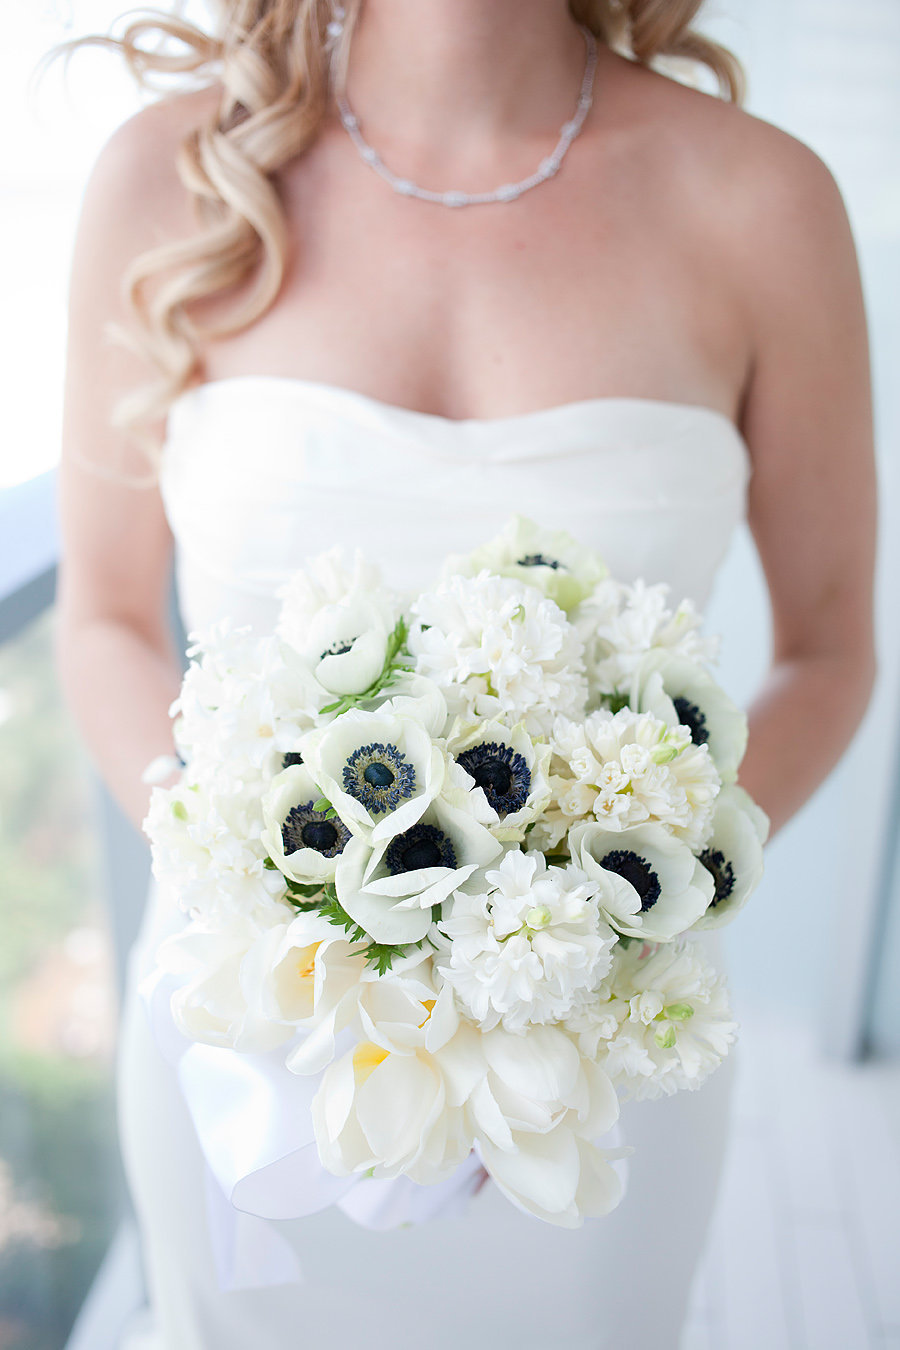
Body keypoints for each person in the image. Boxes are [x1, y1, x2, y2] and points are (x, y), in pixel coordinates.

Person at [53, 2, 876, 1346]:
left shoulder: (765, 200)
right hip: (254, 1039)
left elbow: (832, 646)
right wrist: (267, 904)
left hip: (593, 1066)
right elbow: (103, 617)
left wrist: (616, 917)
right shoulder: (170, 175)